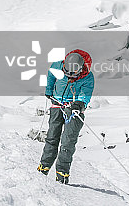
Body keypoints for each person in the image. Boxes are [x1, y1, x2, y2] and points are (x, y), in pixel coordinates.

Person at [36, 49, 94, 184]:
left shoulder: (87, 76)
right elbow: (51, 75)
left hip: (74, 110)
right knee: (52, 137)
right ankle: (44, 166)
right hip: (57, 105)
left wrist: (79, 104)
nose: (69, 76)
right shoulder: (57, 65)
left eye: (73, 74)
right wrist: (49, 90)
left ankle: (62, 172)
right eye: (67, 72)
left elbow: (85, 93)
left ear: (80, 69)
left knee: (68, 142)